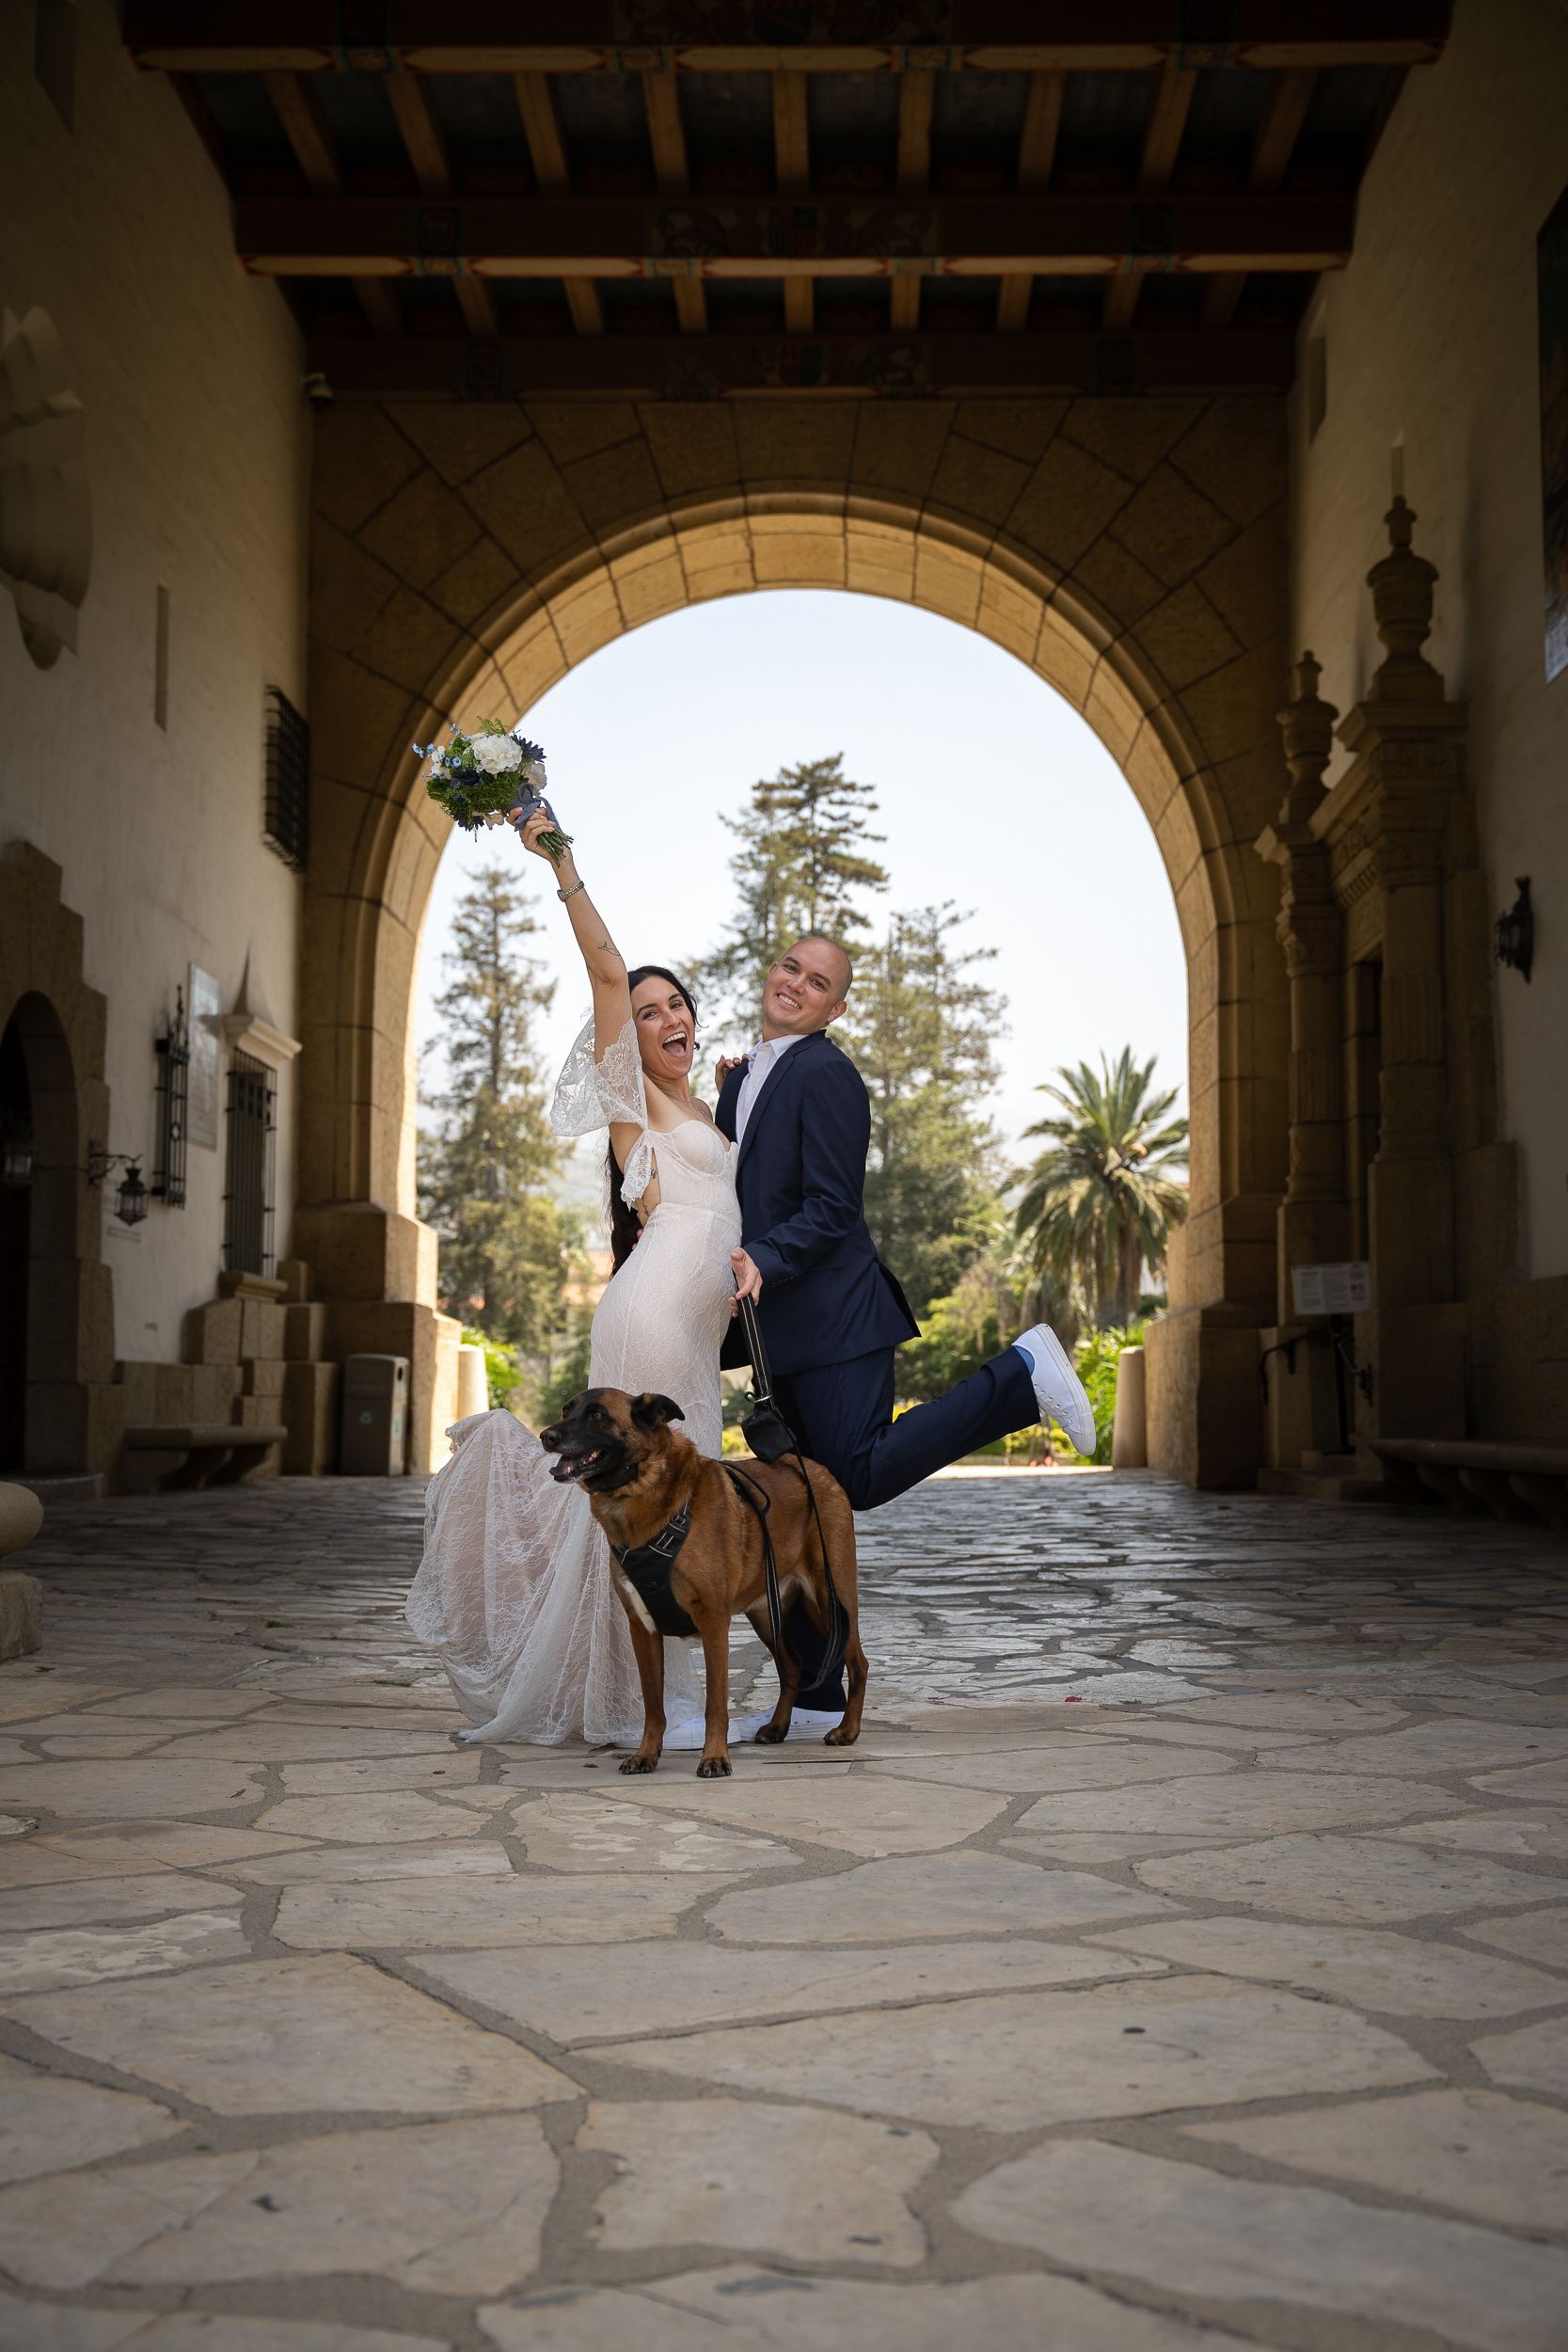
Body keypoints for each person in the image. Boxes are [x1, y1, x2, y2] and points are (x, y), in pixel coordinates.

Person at [404, 808, 741, 1744]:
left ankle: (642, 1697)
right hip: (648, 1325)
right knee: (639, 1506)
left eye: (674, 1003)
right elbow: (604, 969)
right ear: (620, 1041)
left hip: (692, 1333)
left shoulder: (703, 1103)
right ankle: (618, 1702)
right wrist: (558, 856)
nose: (664, 1017)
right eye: (645, 1011)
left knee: (678, 1508)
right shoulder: (631, 1108)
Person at [715, 934, 1093, 1722]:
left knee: (851, 1480)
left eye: (817, 983)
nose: (795, 985)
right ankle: (814, 1691)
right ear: (771, 969)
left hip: (837, 1320)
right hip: (782, 1330)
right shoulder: (751, 1073)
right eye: (790, 967)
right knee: (810, 1513)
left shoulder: (825, 1072)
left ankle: (1018, 1376)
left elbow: (831, 1206)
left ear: (836, 1008)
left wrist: (764, 1255)